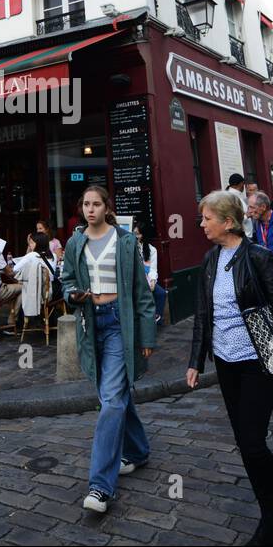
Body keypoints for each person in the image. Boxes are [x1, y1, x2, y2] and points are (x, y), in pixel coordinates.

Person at [187, 189, 273, 545]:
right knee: (244, 444)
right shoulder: (210, 259)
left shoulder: (259, 257)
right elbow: (202, 314)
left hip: (260, 360)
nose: (202, 224)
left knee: (254, 444)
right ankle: (269, 518)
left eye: (207, 218)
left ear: (228, 222)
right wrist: (196, 360)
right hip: (226, 363)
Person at [60, 185, 156, 514]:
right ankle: (139, 451)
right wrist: (73, 294)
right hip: (90, 324)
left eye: (96, 204)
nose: (90, 209)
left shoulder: (125, 241)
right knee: (112, 395)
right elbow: (67, 280)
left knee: (112, 398)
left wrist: (146, 338)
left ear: (106, 207)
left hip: (119, 323)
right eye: (85, 203)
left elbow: (142, 293)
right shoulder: (75, 242)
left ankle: (101, 486)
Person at [133, 219, 166, 324]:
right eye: (134, 234)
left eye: (138, 234)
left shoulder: (151, 250)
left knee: (161, 293)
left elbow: (152, 269)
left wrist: (152, 280)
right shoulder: (131, 248)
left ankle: (156, 318)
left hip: (146, 280)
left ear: (144, 235)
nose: (135, 237)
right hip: (134, 281)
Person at [227, 174, 253, 240]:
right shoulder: (232, 197)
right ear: (241, 184)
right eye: (243, 184)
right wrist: (247, 215)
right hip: (243, 236)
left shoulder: (234, 195)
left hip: (245, 235)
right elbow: (233, 218)